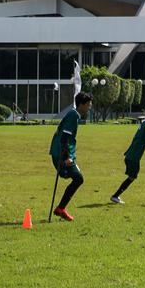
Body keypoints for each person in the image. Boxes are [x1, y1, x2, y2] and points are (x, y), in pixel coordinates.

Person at [49, 92, 93, 221]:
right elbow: (64, 138)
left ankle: (61, 208)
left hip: (62, 153)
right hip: (61, 154)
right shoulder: (73, 115)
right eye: (88, 105)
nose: (89, 107)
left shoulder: (74, 115)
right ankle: (60, 208)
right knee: (78, 178)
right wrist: (67, 157)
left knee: (77, 178)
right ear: (81, 104)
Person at [111, 107, 145, 204]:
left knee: (132, 176)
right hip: (133, 158)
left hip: (130, 156)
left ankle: (116, 196)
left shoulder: (144, 124)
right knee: (132, 177)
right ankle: (115, 196)